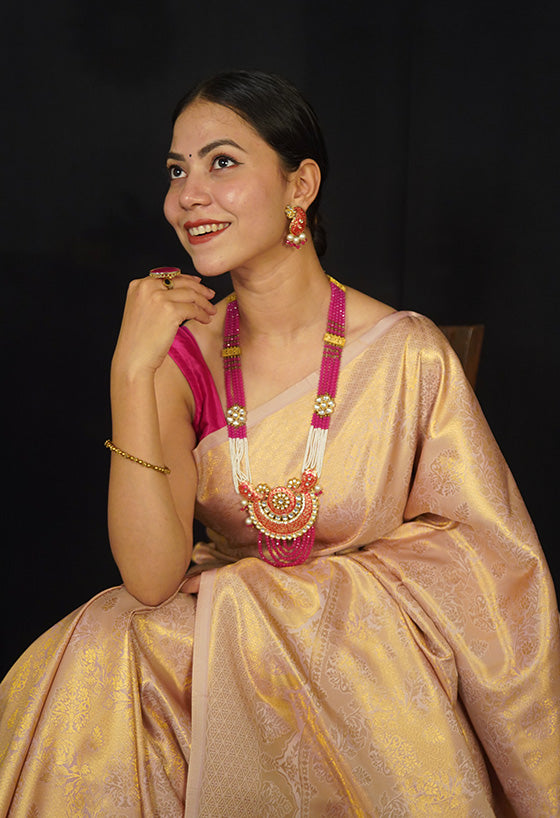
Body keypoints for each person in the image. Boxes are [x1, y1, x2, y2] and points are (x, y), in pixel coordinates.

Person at [0, 70, 558, 818]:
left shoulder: (406, 354)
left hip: (366, 669)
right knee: (109, 648)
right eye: (177, 170)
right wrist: (129, 372)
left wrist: (295, 600)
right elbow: (150, 577)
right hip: (209, 656)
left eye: (221, 162)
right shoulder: (182, 357)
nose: (188, 196)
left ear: (301, 185)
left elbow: (486, 560)